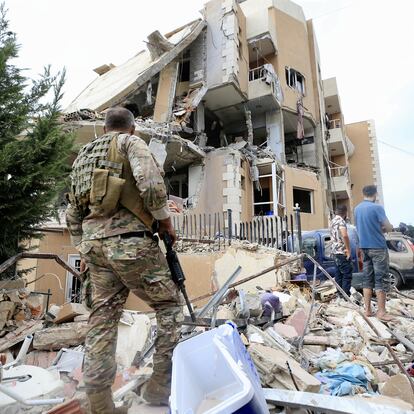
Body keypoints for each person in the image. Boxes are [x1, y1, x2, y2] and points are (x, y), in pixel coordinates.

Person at [66, 107, 183, 413]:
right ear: (131, 128)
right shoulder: (131, 143)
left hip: (95, 249)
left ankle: (100, 405)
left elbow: (72, 211)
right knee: (169, 307)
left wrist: (83, 247)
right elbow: (151, 185)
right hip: (130, 244)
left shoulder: (83, 157)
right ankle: (159, 391)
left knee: (102, 321)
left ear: (104, 128)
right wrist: (165, 221)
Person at [354, 185, 393, 321]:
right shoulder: (377, 208)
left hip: (364, 247)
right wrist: (386, 228)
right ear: (375, 194)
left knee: (367, 279)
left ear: (363, 193)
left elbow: (360, 227)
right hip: (377, 247)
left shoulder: (357, 209)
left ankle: (368, 310)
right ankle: (381, 312)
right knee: (381, 279)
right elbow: (388, 226)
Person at [329, 205, 353, 296]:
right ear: (345, 213)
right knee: (347, 274)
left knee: (338, 274)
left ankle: (339, 293)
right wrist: (348, 249)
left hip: (334, 252)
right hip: (341, 251)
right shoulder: (341, 221)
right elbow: (345, 235)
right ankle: (345, 296)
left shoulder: (332, 221)